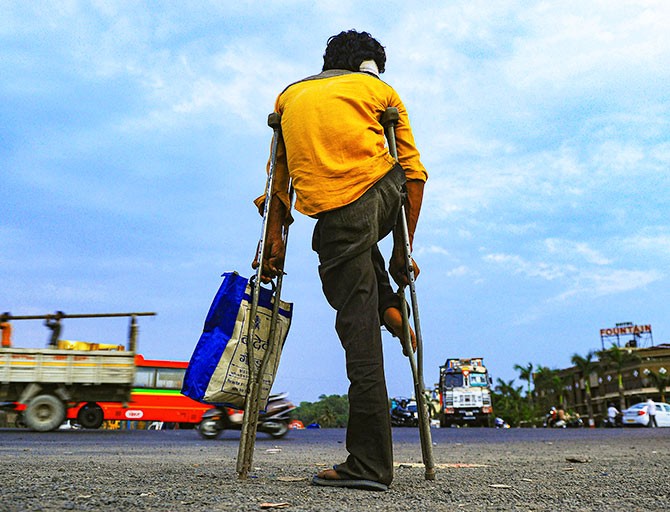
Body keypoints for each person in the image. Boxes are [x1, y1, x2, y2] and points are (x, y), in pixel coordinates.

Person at [253, 30, 427, 491]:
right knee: (359, 252)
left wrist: (272, 247)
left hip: (337, 214)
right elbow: (414, 174)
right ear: (365, 64)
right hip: (385, 195)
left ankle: (369, 466)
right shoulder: (379, 90)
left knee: (357, 328)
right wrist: (400, 250)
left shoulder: (290, 96)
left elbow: (279, 184)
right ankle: (388, 302)